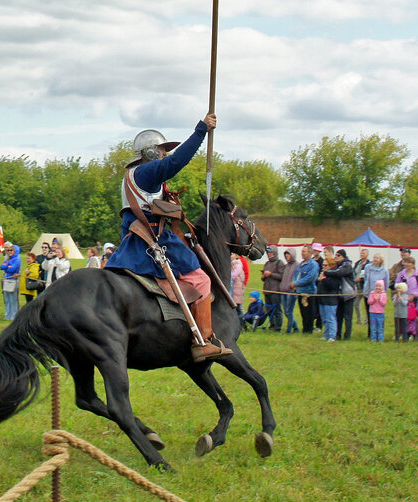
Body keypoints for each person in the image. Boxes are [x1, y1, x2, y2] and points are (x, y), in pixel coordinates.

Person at [104, 114, 234, 362]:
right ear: (150, 152)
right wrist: (201, 131)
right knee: (201, 280)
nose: (165, 154)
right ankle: (203, 340)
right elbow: (176, 162)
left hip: (137, 239)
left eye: (165, 151)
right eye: (162, 150)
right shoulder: (145, 173)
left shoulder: (138, 175)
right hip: (154, 239)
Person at [315, 249, 350, 342]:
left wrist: (323, 279)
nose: (324, 267)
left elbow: (333, 285)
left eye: (326, 265)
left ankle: (332, 336)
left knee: (330, 318)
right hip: (322, 299)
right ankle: (326, 334)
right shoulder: (323, 273)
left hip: (330, 300)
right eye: (323, 265)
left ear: (331, 265)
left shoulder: (334, 274)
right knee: (324, 318)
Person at [394, 256, 418, 342]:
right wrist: (400, 290)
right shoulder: (401, 274)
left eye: (409, 263)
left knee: (412, 318)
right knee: (404, 318)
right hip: (403, 299)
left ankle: (415, 334)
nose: (407, 264)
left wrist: (414, 294)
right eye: (406, 262)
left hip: (414, 301)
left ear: (413, 264)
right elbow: (396, 284)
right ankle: (405, 334)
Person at [293, 245, 320, 334]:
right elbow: (296, 275)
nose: (302, 253)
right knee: (303, 312)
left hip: (309, 292)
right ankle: (305, 329)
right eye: (302, 251)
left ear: (310, 253)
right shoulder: (301, 264)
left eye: (304, 251)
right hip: (300, 291)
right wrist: (294, 283)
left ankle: (309, 330)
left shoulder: (313, 265)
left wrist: (297, 283)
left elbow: (310, 278)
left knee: (310, 313)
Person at [261, 248, 285, 332]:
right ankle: (272, 325)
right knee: (269, 309)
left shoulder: (280, 263)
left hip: (275, 290)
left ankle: (278, 327)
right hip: (267, 289)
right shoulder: (267, 263)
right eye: (268, 252)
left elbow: (281, 276)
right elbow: (263, 277)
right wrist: (263, 276)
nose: (269, 254)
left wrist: (271, 274)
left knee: (277, 310)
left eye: (271, 252)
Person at [0, 243, 21, 320]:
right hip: (6, 279)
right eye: (8, 250)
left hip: (13, 280)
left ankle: (14, 316)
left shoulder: (17, 259)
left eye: (11, 250)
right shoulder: (8, 258)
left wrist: (7, 267)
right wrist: (7, 266)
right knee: (7, 299)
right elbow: (1, 267)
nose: (9, 252)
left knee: (13, 299)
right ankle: (7, 315)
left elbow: (12, 269)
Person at [278, 249, 298, 333]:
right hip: (283, 290)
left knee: (289, 311)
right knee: (286, 311)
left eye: (288, 255)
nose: (287, 257)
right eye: (286, 256)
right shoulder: (286, 266)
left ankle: (289, 329)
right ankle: (296, 327)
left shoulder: (297, 265)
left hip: (291, 291)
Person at [352, 248, 370, 325]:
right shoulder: (357, 263)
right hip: (357, 287)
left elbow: (368, 276)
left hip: (365, 287)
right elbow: (354, 272)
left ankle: (367, 320)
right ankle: (359, 319)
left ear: (367, 254)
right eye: (361, 253)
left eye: (364, 253)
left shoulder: (369, 264)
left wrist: (361, 279)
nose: (362, 255)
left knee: (367, 305)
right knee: (356, 303)